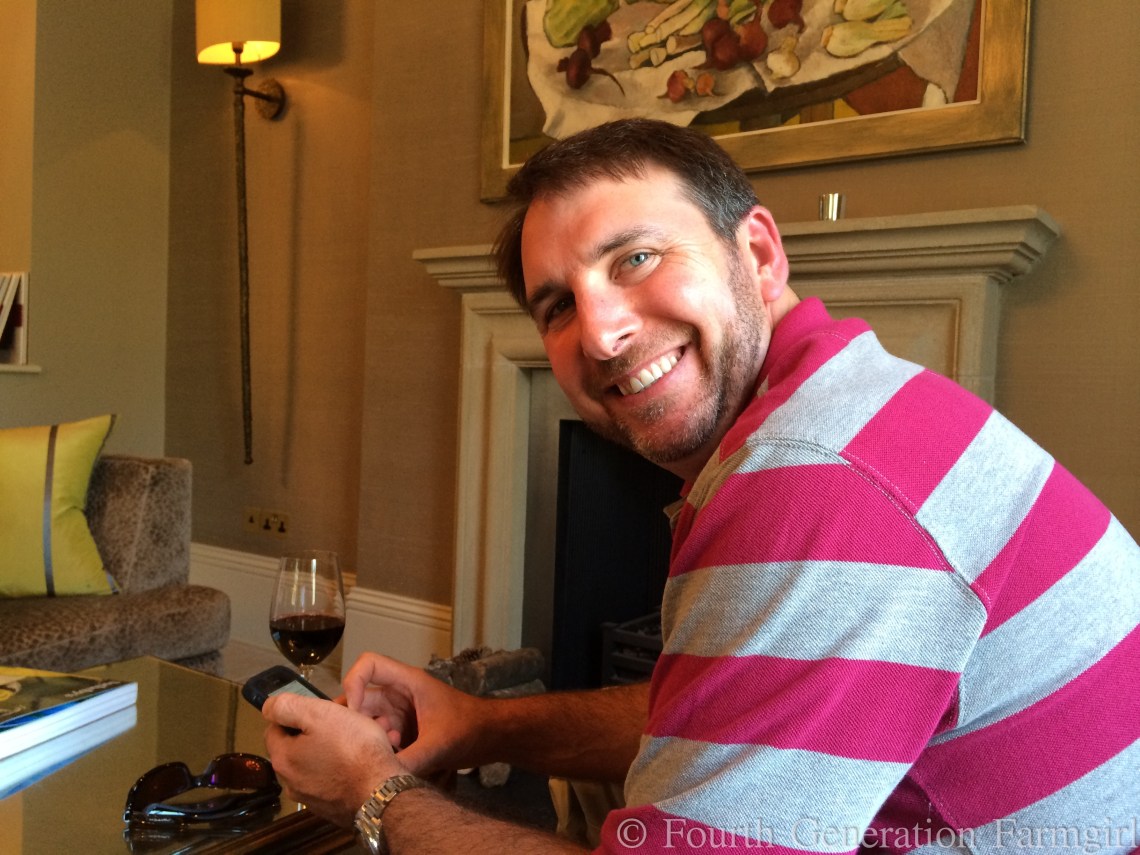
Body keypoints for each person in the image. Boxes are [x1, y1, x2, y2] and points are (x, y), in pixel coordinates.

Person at [262, 118, 1140, 854]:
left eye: (636, 257)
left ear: (757, 253)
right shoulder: (848, 404)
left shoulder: (811, 478)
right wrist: (483, 723)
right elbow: (726, 711)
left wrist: (375, 795)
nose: (600, 333)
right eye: (558, 305)